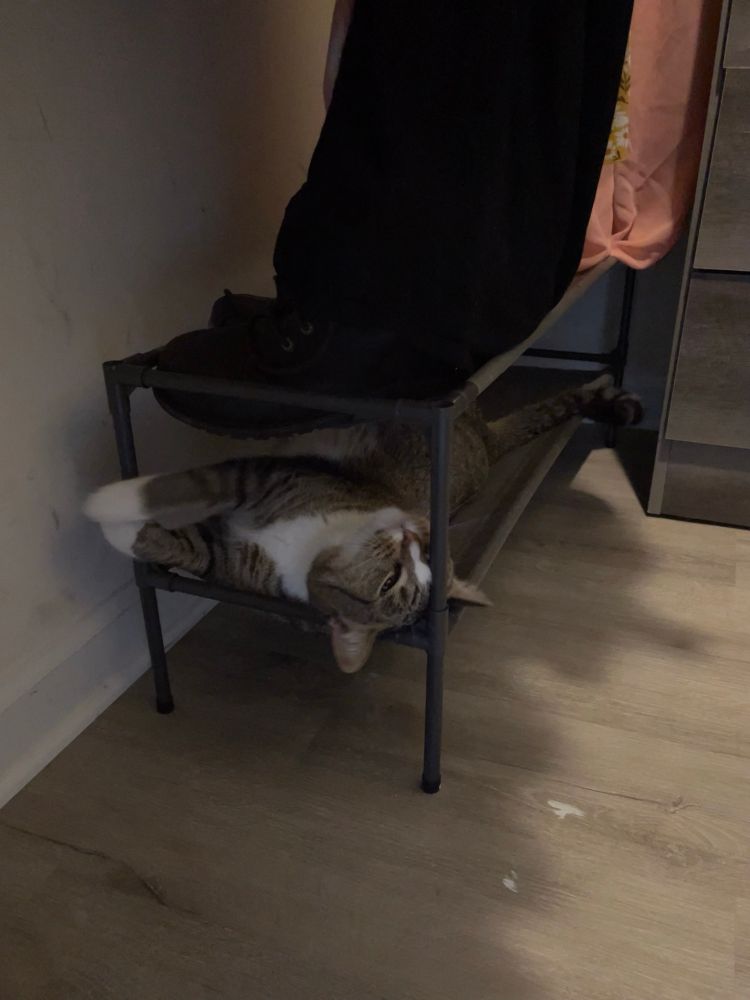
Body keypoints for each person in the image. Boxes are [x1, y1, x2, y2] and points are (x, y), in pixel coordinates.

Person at [157, 1, 634, 437]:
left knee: (446, 27)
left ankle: (373, 325)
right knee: (538, 34)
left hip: (399, 289)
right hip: (469, 281)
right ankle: (454, 311)